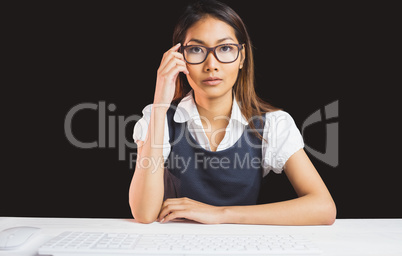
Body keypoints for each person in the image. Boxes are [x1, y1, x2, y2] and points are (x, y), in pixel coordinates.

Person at [129, 0, 336, 225]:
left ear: (242, 56)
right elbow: (144, 213)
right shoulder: (158, 117)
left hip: (241, 248)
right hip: (173, 247)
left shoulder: (272, 124)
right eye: (196, 49)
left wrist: (220, 214)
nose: (211, 64)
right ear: (180, 58)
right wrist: (160, 103)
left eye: (225, 48)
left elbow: (323, 207)